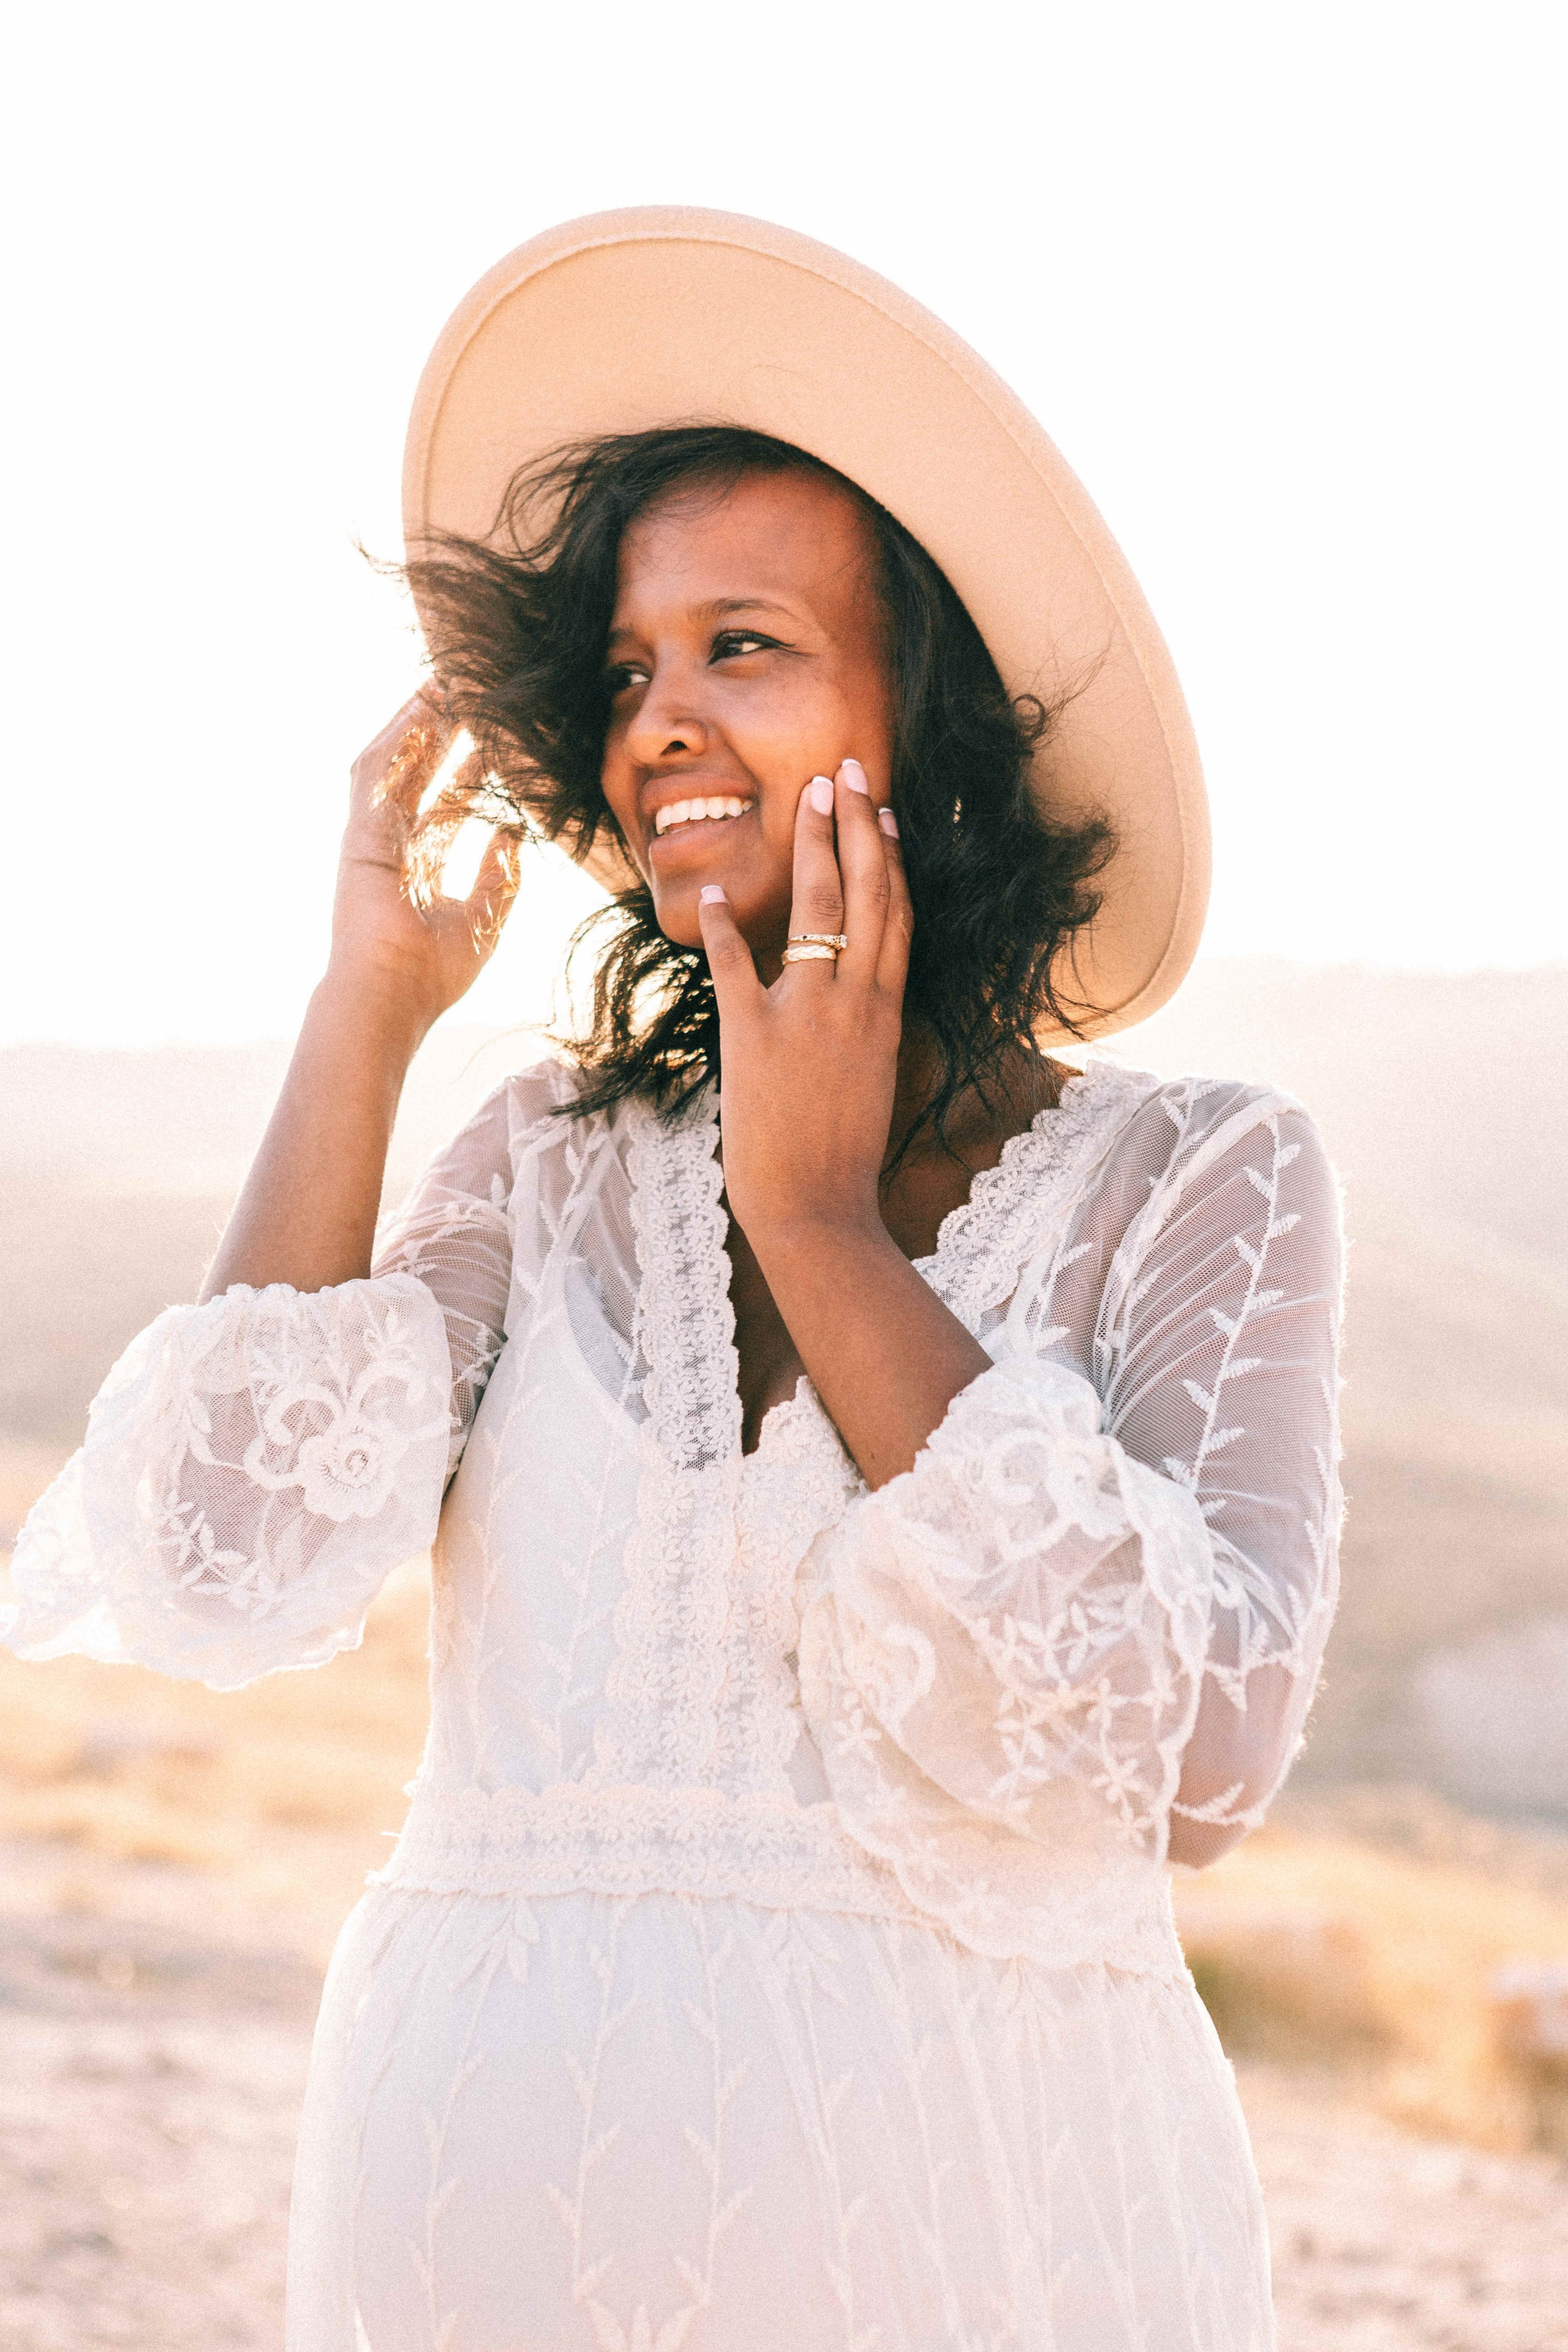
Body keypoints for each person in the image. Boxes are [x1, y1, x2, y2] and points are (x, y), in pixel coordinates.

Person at [2, 211, 1343, 2350]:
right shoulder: (534, 1163)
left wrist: (813, 1222)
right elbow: (216, 1556)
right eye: (626, 670)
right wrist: (368, 1008)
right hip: (463, 2226)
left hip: (983, 2242)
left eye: (746, 645)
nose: (661, 723)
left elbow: (1193, 1765)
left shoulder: (1200, 1178)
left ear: (940, 715)